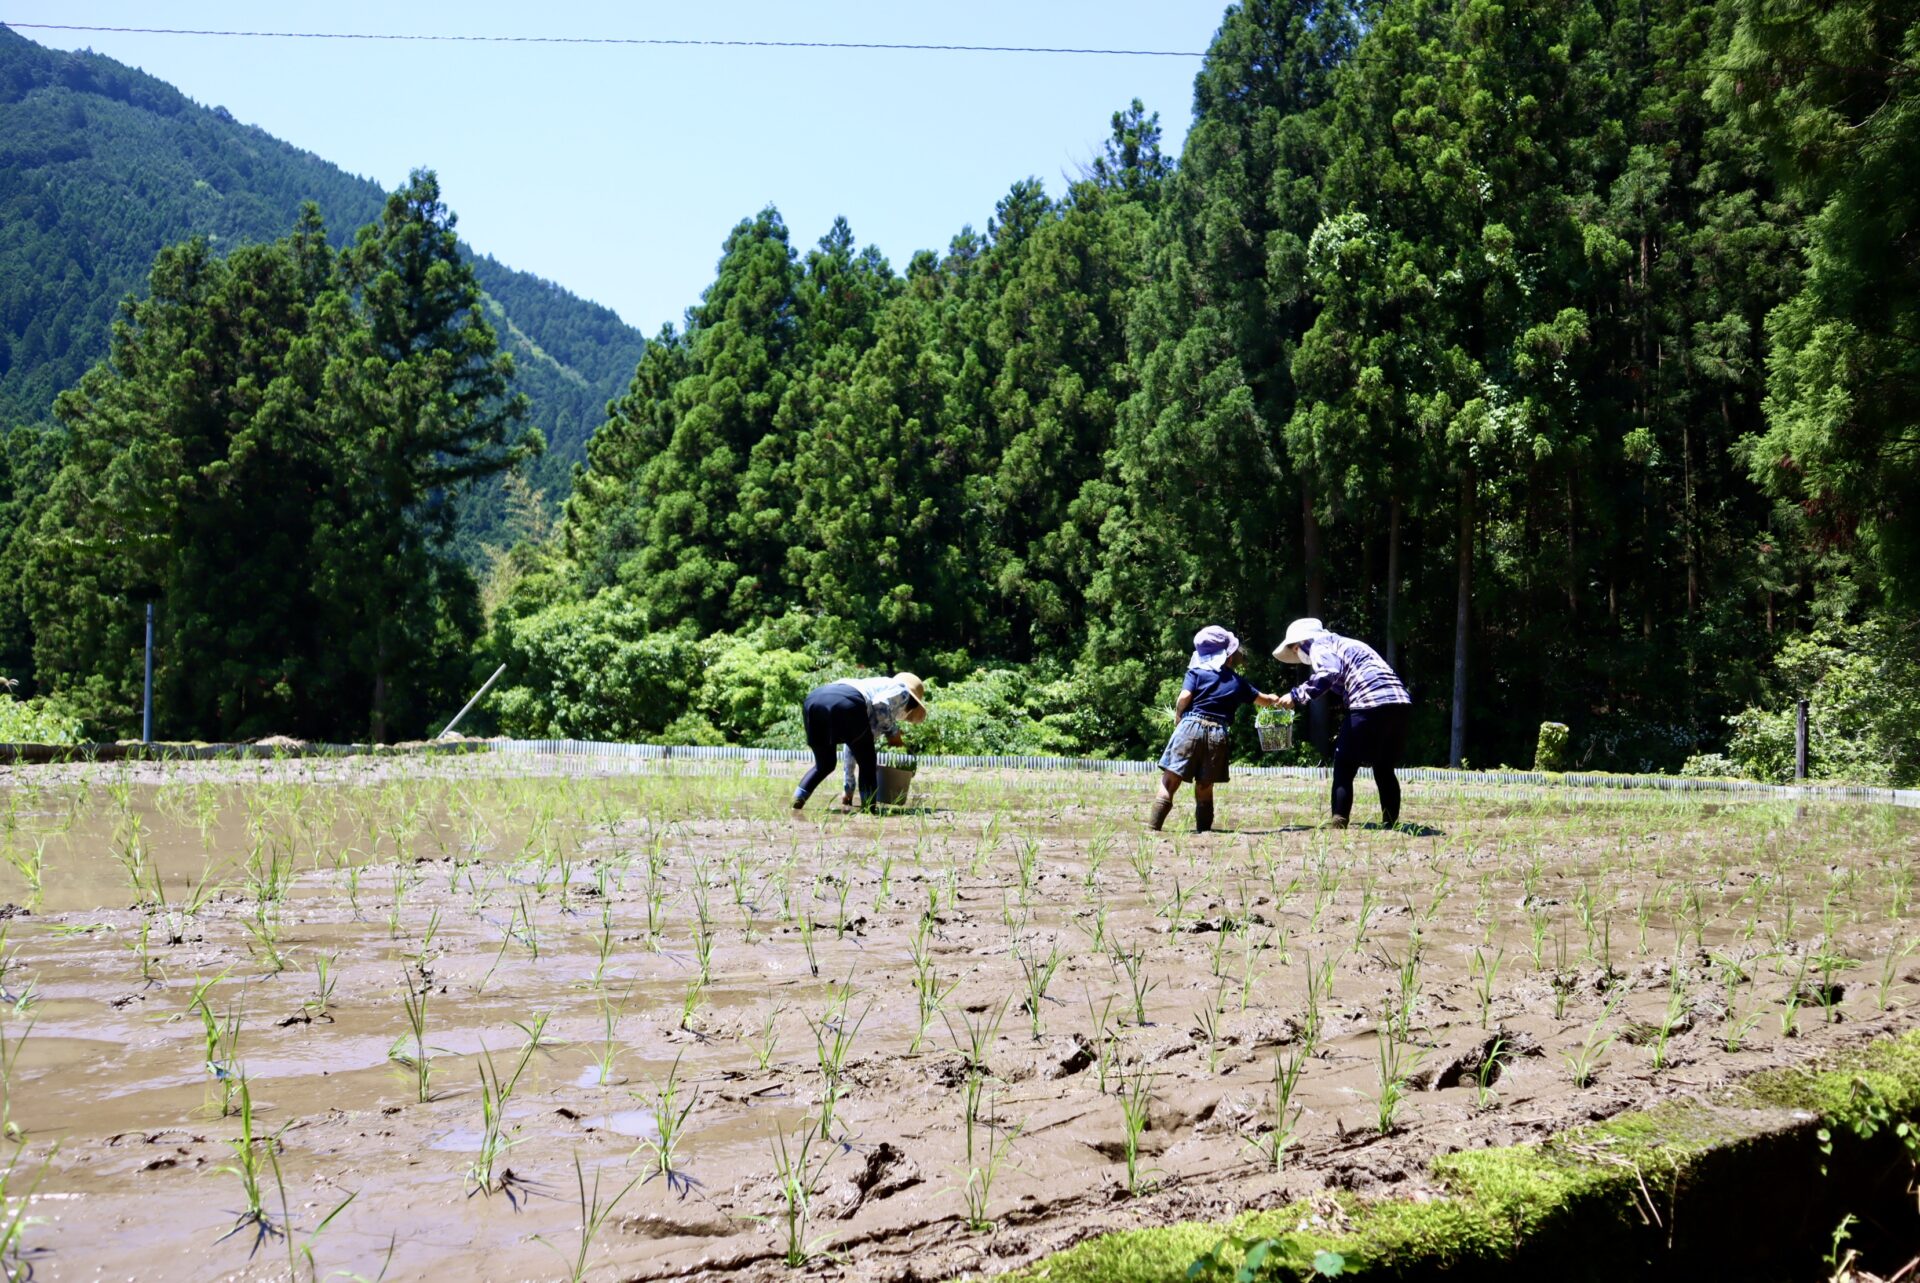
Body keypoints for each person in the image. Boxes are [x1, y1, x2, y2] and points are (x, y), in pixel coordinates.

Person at [1272, 618, 1412, 829]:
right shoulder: (1348, 644)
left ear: (1301, 642)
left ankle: (1339, 820)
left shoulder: (1319, 645)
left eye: (1294, 648)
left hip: (1369, 702)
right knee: (1384, 766)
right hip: (1401, 704)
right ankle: (1390, 823)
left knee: (1344, 764)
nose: (1296, 653)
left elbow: (1329, 673)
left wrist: (1296, 695)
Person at [1149, 626, 1285, 832]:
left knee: (1170, 781)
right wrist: (1274, 699)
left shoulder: (1196, 672)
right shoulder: (1237, 682)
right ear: (1229, 656)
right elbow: (1263, 700)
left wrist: (1178, 715)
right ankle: (1204, 832)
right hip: (1217, 733)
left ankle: (1153, 828)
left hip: (1190, 727)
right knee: (1205, 785)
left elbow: (1184, 697)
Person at [793, 673, 928, 811]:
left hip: (813, 701)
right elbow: (881, 705)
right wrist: (893, 733)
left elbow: (852, 745)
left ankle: (796, 803)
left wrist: (848, 787)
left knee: (825, 764)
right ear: (910, 705)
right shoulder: (902, 690)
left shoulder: (873, 687)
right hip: (849, 702)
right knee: (868, 763)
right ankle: (869, 810)